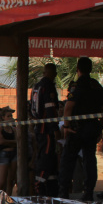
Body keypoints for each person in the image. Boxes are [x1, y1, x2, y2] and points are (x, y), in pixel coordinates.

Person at [58, 57, 103, 201]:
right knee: (90, 160)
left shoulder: (77, 86)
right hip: (92, 128)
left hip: (76, 129)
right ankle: (88, 192)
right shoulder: (97, 86)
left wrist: (66, 127)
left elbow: (68, 108)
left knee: (68, 161)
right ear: (91, 69)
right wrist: (99, 128)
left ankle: (63, 193)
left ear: (77, 69)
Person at [31, 63, 60, 196]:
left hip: (39, 127)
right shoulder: (47, 86)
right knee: (46, 158)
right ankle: (39, 186)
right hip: (46, 130)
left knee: (51, 159)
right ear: (50, 72)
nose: (55, 76)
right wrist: (55, 128)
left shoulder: (36, 87)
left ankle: (52, 189)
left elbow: (31, 108)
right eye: (54, 73)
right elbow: (50, 108)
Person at [0, 106, 17, 195]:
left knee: (11, 180)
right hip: (4, 154)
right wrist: (12, 142)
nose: (10, 118)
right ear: (3, 117)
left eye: (11, 116)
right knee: (2, 181)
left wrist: (9, 142)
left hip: (13, 154)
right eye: (8, 116)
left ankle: (8, 199)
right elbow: (1, 141)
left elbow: (18, 141)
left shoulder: (13, 129)